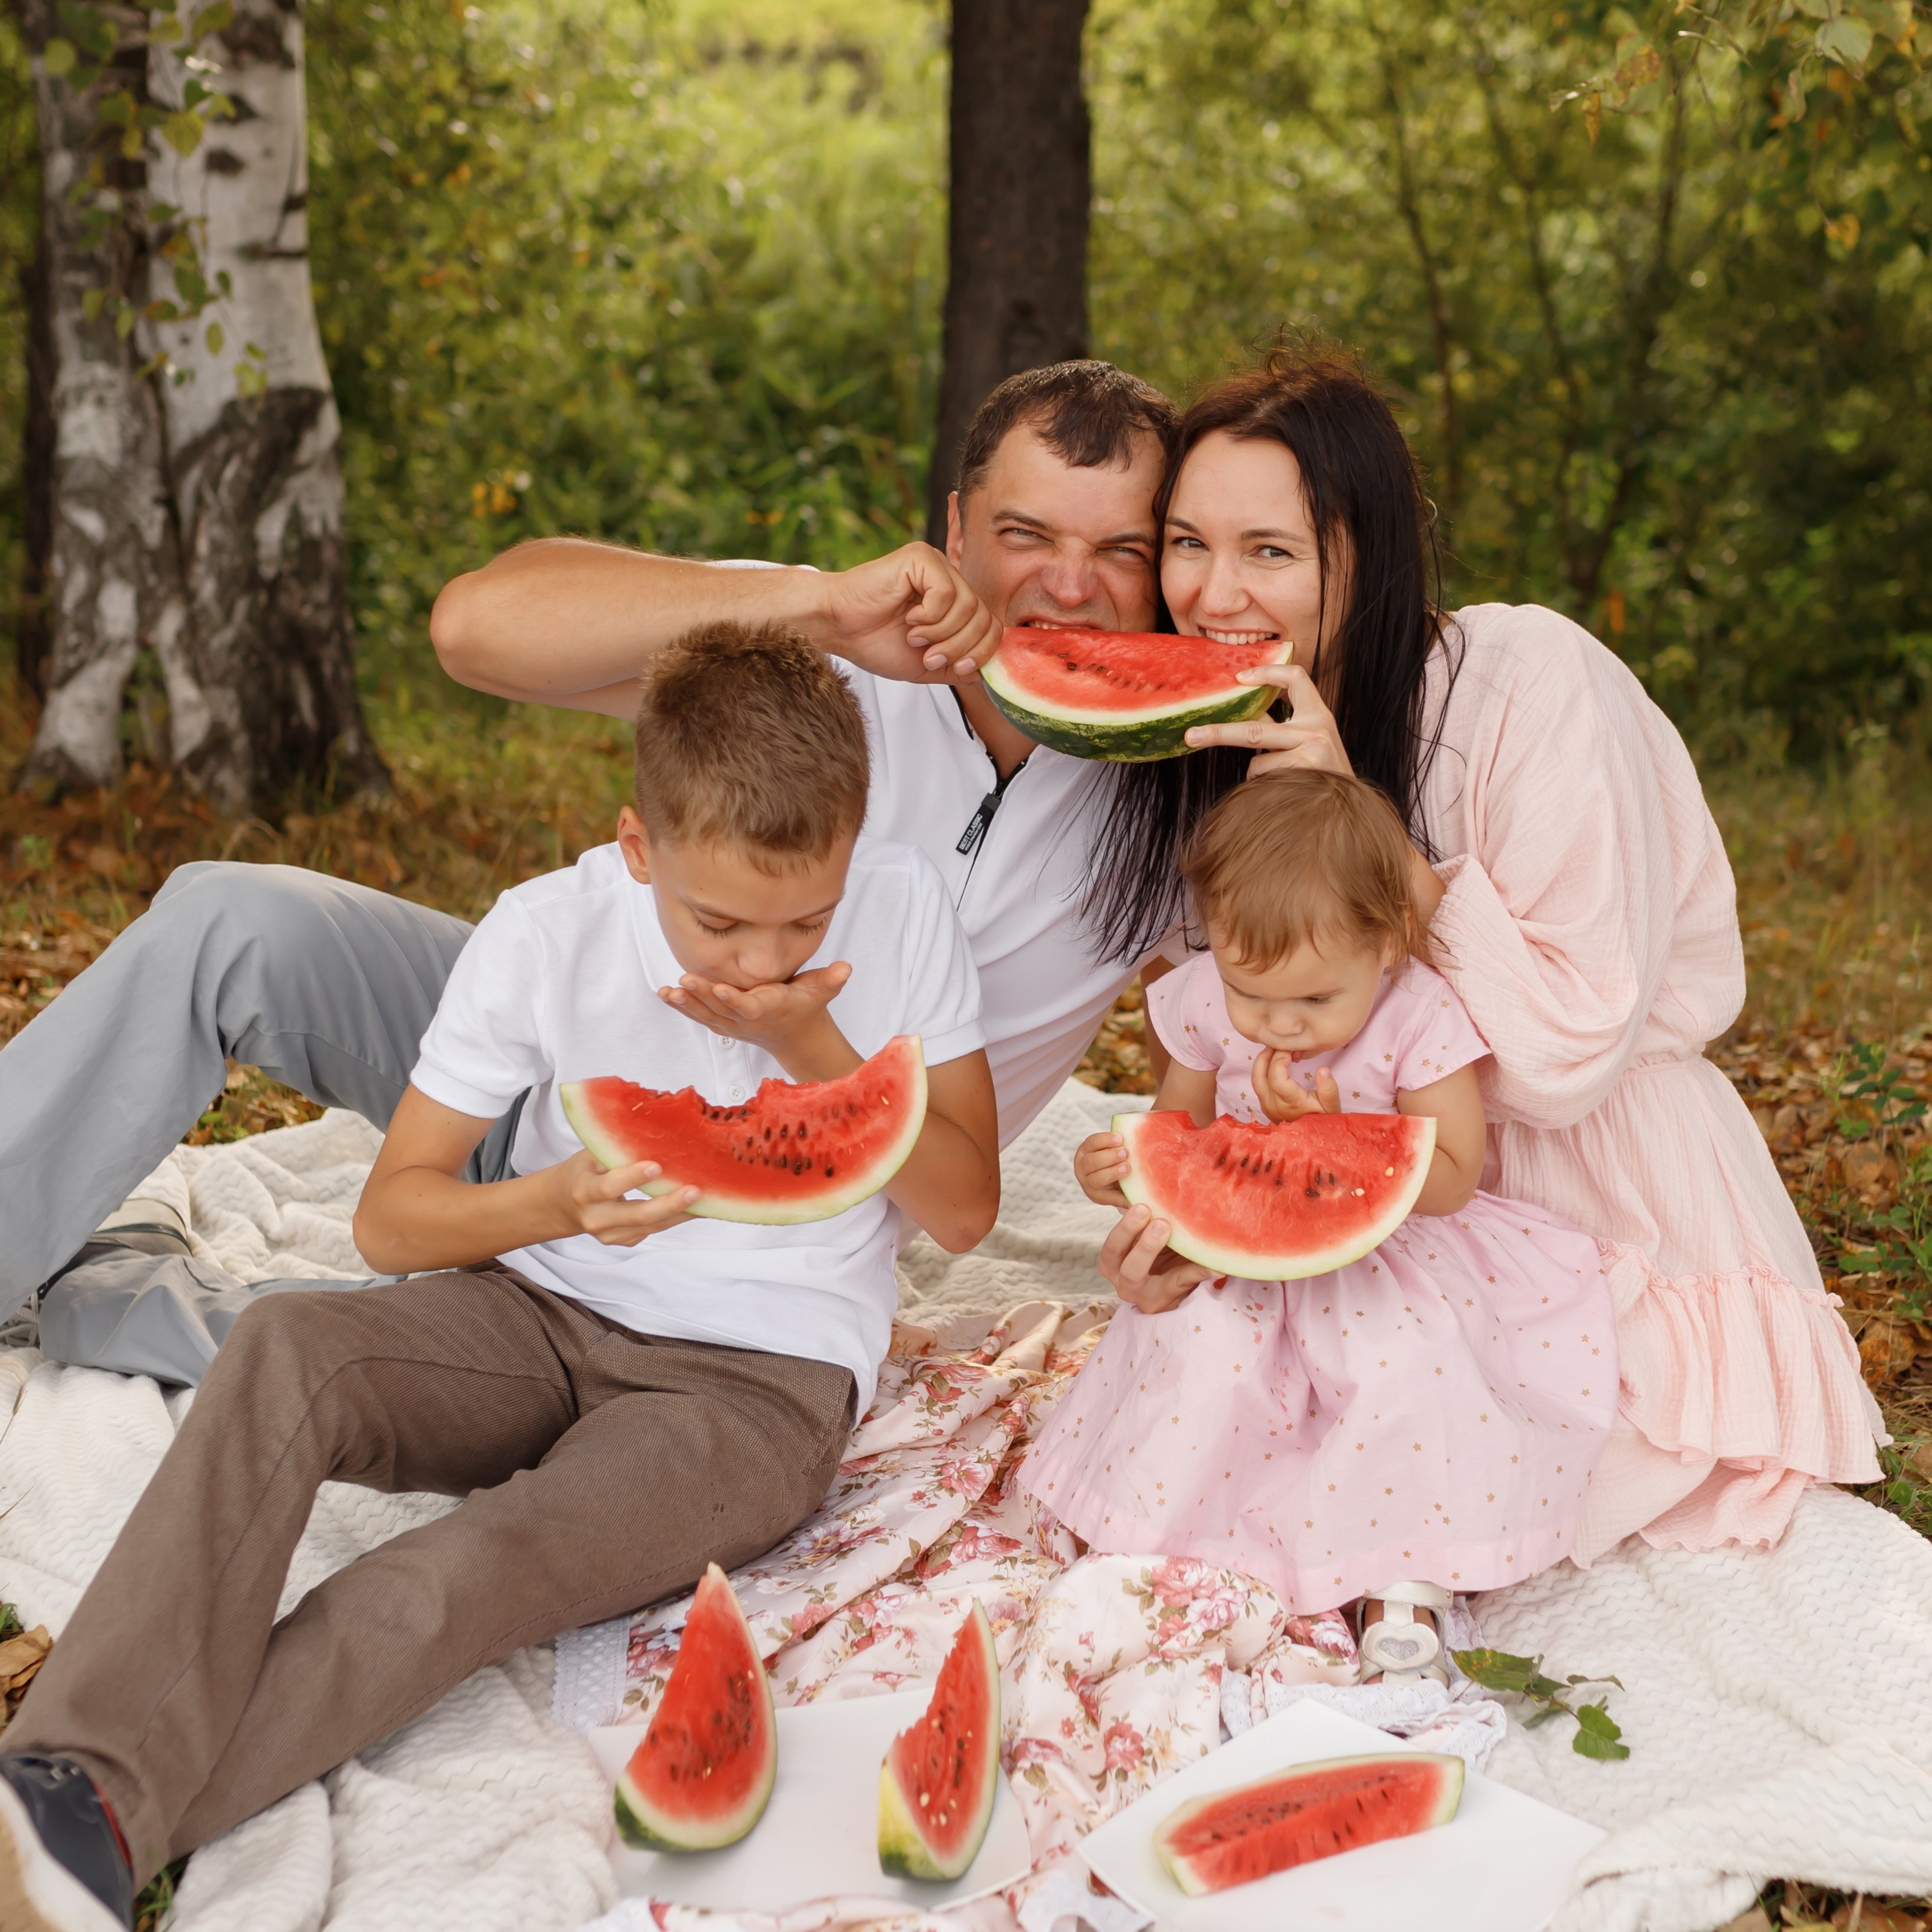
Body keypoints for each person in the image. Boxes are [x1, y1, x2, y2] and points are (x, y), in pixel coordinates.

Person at [0, 624, 1000, 1930]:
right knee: (288, 1348)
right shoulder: (545, 932)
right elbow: (390, 1219)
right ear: (640, 847)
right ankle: (62, 1786)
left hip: (757, 1392)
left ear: (854, 851)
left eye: (803, 919)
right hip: (535, 1308)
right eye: (718, 921)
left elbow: (969, 1209)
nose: (760, 963)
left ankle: (81, 1835)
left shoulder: (906, 906)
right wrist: (551, 1202)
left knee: (468, 1569)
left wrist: (819, 1041)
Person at [4, 359, 1191, 1380]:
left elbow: (1318, 991)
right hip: (562, 1056)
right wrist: (818, 607)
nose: (1069, 586)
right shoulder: (832, 655)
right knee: (230, 914)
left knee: (455, 1368)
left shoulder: (1189, 800)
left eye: (1119, 552)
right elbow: (476, 627)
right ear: (953, 529)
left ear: (1170, 571)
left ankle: (120, 1309)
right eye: (1025, 534)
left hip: (758, 1223)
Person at [1088, 345, 1879, 1559]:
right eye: (1186, 544)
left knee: (1467, 1494)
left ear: (1375, 553)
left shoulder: (1527, 677)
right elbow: (1260, 1035)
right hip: (1373, 1216)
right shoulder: (1216, 733)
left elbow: (1568, 1059)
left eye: (1271, 552)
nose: (1211, 595)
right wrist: (1183, 1217)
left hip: (1596, 1190)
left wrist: (1359, 813)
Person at [1021, 768, 1618, 1678]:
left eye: (1311, 1002)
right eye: (1249, 995)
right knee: (1202, 1357)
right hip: (1238, 1254)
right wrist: (1117, 1170)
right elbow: (1175, 1131)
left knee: (1404, 1368)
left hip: (1393, 1254)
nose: (1277, 1025)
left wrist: (1329, 1138)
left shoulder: (1418, 1013)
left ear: (1385, 948)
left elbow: (1450, 1174)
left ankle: (1404, 1577)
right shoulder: (1202, 1002)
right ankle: (1166, 1544)